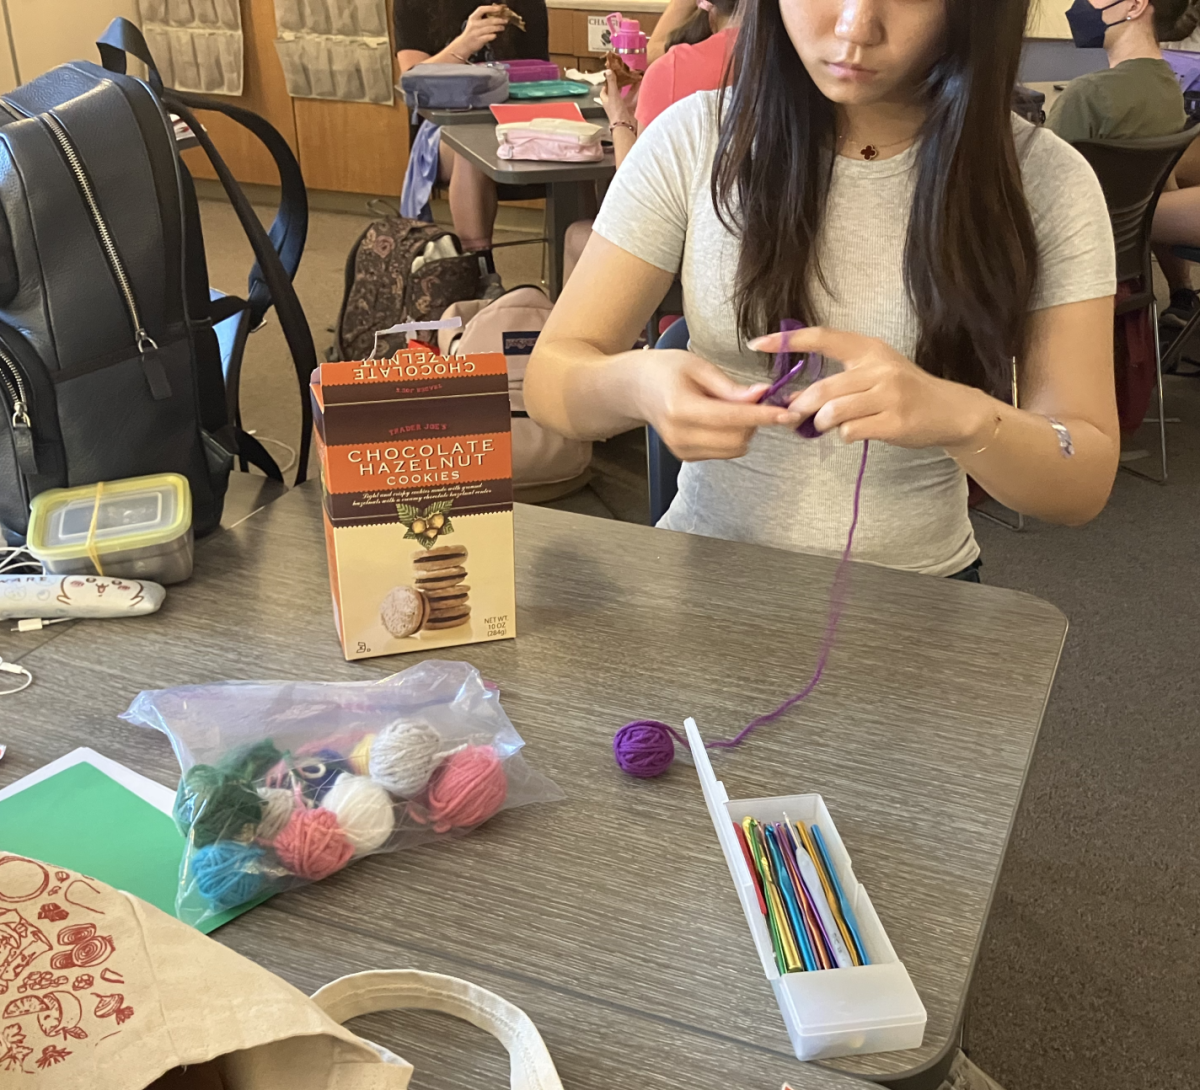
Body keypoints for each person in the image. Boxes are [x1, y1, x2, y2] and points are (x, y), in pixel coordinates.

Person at [527, 0, 1119, 597]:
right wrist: (638, 385)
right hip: (701, 580)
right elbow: (551, 380)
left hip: (920, 598)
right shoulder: (693, 141)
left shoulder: (1044, 182)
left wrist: (959, 417)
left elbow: (1082, 481)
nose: (856, 26)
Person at [1047, 0, 1200, 336]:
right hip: (1124, 270)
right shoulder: (1167, 86)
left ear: (1134, 5)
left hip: (1070, 269)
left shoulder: (1087, 95)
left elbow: (1036, 199)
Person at [562, 0, 738, 283]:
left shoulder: (676, 67)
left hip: (691, 261)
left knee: (576, 237)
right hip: (774, 254)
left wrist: (620, 119)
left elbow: (634, 196)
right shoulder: (802, 64)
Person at [395, 1, 549, 272]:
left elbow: (537, 74)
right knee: (471, 148)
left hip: (513, 121)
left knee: (583, 147)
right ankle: (480, 269)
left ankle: (583, 265)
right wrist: (465, 44)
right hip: (442, 130)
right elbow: (412, 78)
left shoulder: (527, 4)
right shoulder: (413, 3)